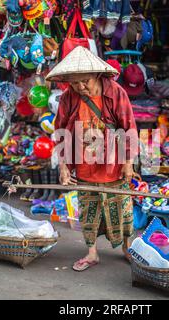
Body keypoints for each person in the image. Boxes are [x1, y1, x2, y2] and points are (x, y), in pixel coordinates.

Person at [46, 46, 138, 271]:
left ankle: (126, 247)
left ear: (97, 74)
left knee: (122, 208)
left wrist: (128, 164)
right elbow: (61, 131)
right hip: (85, 164)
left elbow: (129, 128)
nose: (80, 87)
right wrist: (64, 167)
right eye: (75, 83)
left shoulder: (116, 92)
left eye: (85, 81)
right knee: (89, 210)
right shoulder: (69, 97)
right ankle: (92, 253)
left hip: (113, 163)